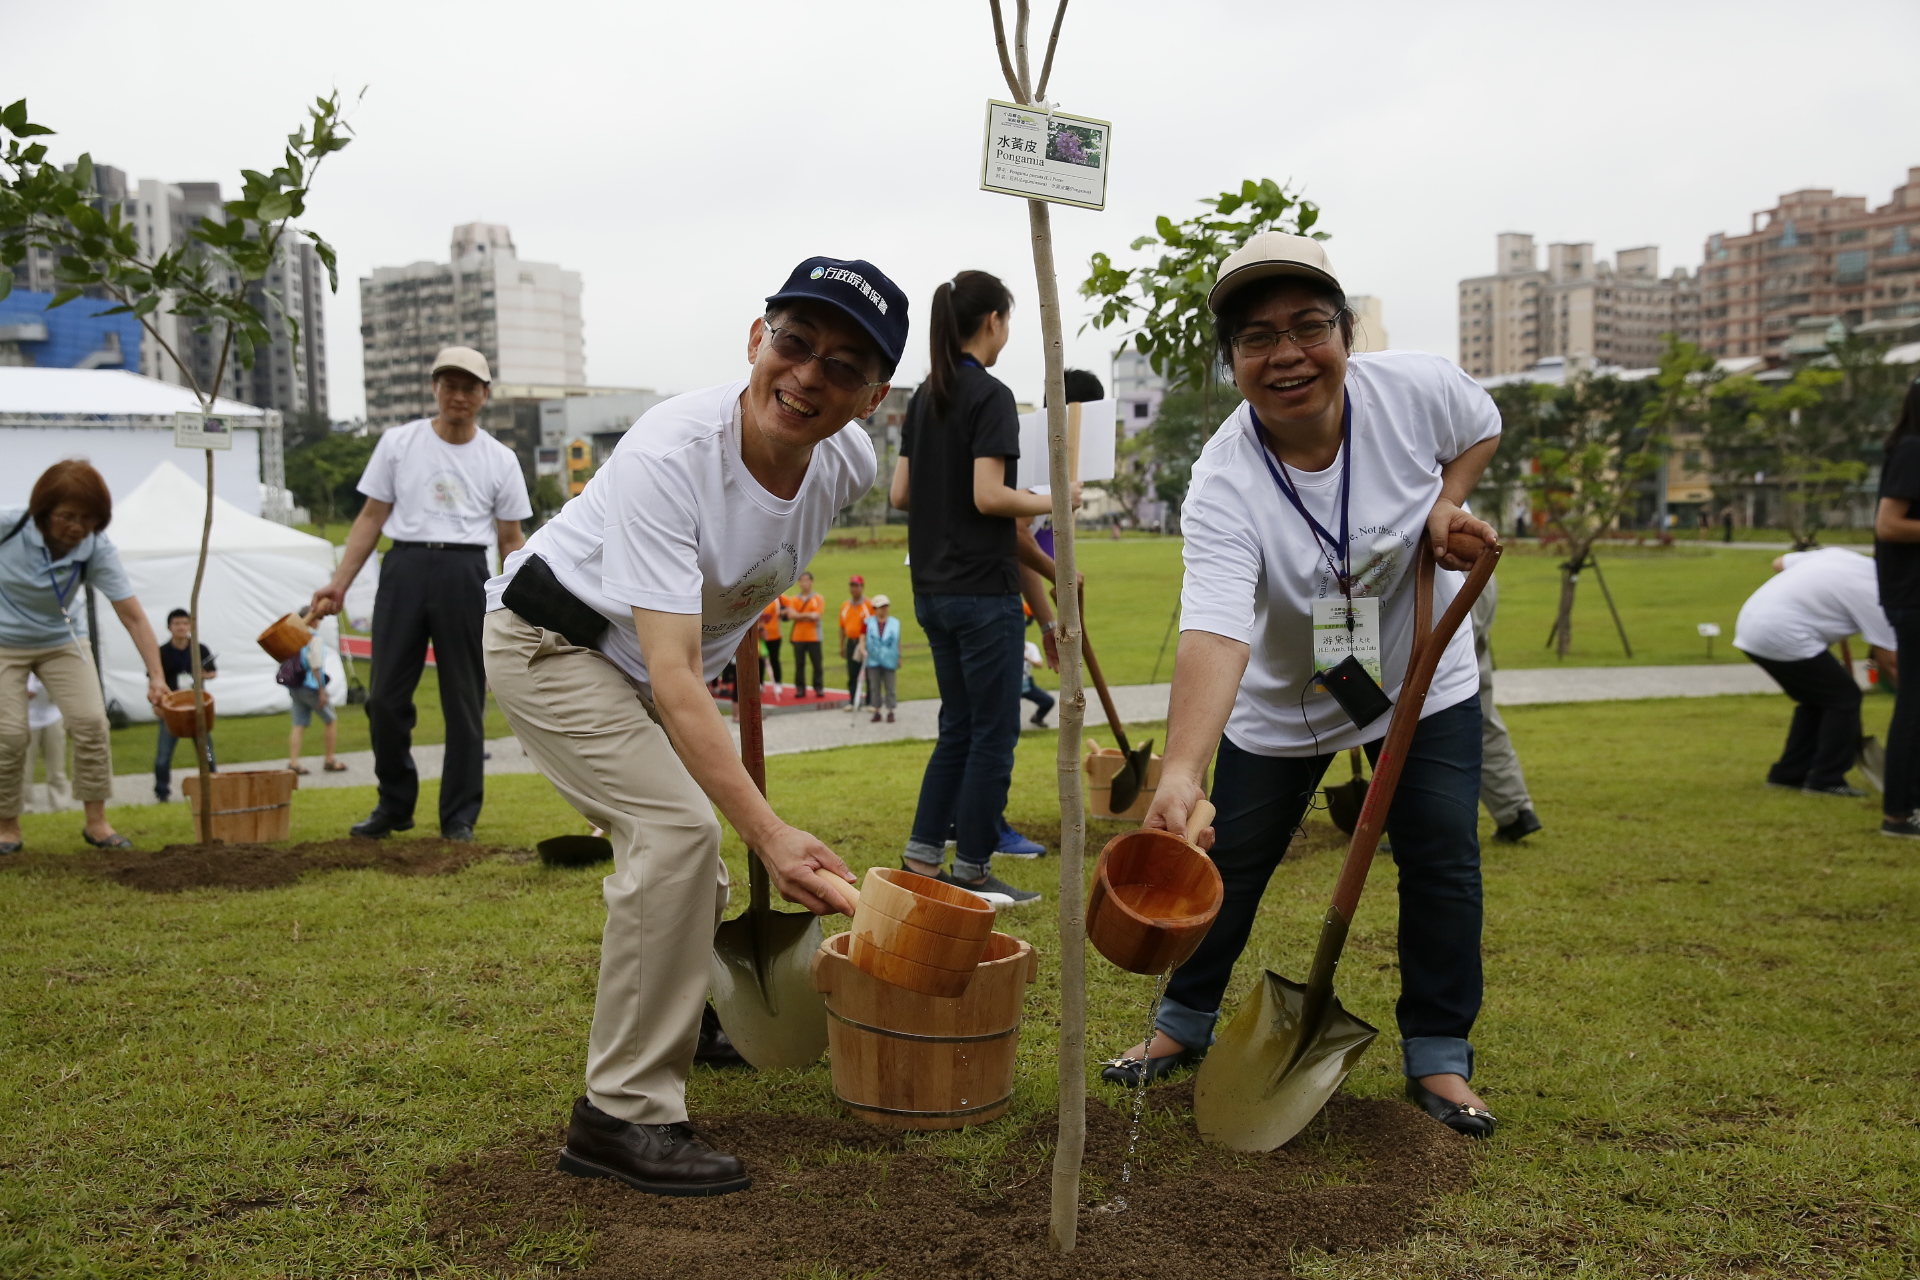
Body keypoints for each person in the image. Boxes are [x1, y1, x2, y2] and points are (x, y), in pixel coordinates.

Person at [480, 254, 903, 1197]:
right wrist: (774, 835)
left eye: (843, 366)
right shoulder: (673, 450)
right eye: (794, 344)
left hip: (639, 657)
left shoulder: (848, 462)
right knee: (679, 837)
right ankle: (620, 1119)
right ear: (757, 340)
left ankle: (682, 1017)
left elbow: (746, 582)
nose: (807, 377)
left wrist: (734, 639)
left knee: (686, 862)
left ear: (872, 398)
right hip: (550, 642)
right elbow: (672, 675)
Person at [1097, 233, 1505, 1141]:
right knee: (1228, 863)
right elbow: (1215, 622)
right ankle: (1181, 1025)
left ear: (1345, 335)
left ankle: (1439, 1050)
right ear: (1233, 362)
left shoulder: (1415, 390)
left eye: (1308, 326)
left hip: (1416, 677)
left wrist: (1447, 502)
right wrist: (1181, 772)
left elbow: (1480, 425)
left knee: (1441, 854)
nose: (1286, 354)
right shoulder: (1221, 481)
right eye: (1255, 337)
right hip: (1282, 702)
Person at [888, 269, 1074, 906]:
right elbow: (989, 495)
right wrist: (1061, 499)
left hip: (933, 592)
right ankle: (970, 871)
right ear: (992, 320)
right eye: (1008, 320)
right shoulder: (990, 395)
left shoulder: (923, 396)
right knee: (994, 734)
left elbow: (901, 493)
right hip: (982, 592)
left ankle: (921, 858)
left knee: (958, 728)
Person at [308, 347, 533, 843]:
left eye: (469, 387)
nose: (458, 396)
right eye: (449, 385)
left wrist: (516, 604)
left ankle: (459, 816)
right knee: (384, 698)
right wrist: (339, 583)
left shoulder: (500, 458)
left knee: (464, 700)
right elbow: (370, 517)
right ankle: (394, 803)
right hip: (405, 564)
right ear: (435, 388)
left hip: (465, 571)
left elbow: (511, 538)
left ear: (484, 395)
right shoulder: (398, 443)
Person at [0, 460, 168, 853]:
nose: (77, 527)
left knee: (91, 722)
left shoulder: (96, 548)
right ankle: (7, 827)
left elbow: (133, 615)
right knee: (8, 735)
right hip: (4, 642)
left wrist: (156, 676)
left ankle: (97, 823)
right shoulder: (9, 528)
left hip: (63, 639)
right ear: (43, 513)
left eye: (89, 518)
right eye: (67, 516)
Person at [1734, 548, 1892, 799]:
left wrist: (1826, 597)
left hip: (1751, 626)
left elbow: (1778, 563)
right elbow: (1889, 662)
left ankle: (1787, 775)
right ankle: (1826, 780)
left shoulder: (1842, 556)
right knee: (1845, 698)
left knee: (1816, 700)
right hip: (1783, 633)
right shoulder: (1876, 594)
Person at [1876, 380, 1920, 837]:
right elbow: (1889, 525)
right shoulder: (1912, 449)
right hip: (1912, 597)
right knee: (1913, 702)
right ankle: (1900, 811)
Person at [1472, 578, 1540, 842]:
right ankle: (1514, 810)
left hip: (1445, 576)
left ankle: (1423, 827)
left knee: (1430, 709)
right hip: (1476, 574)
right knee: (1477, 708)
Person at [154, 607, 218, 802]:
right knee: (163, 755)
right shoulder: (162, 652)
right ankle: (162, 792)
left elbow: (212, 671)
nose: (181, 627)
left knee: (206, 751)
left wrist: (202, 675)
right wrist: (157, 705)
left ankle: (213, 786)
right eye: (177, 624)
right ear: (169, 627)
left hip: (196, 707)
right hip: (172, 707)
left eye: (184, 623)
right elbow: (154, 678)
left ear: (190, 625)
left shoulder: (200, 648)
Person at [287, 624, 345, 775]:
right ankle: (330, 759)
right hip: (310, 685)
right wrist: (322, 689)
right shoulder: (314, 638)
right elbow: (316, 664)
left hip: (295, 684)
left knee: (299, 723)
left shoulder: (292, 637)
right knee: (330, 720)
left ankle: (294, 761)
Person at [23, 673, 69, 812]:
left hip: (53, 717)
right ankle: (25, 807)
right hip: (26, 719)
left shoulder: (50, 663)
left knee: (57, 767)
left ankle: (61, 805)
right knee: (24, 769)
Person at [856, 593, 901, 722]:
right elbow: (862, 637)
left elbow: (898, 640)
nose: (884, 609)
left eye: (885, 606)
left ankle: (891, 710)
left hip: (889, 658)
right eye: (881, 607)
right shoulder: (868, 623)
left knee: (890, 686)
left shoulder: (894, 623)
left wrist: (899, 656)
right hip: (873, 658)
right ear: (875, 608)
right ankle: (876, 710)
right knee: (874, 687)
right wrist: (862, 649)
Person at [780, 571, 826, 697]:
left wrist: (799, 616)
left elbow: (816, 615)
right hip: (798, 636)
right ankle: (800, 688)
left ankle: (818, 687)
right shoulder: (794, 599)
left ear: (812, 582)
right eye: (802, 580)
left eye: (807, 580)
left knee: (817, 664)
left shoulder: (818, 598)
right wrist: (808, 615)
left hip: (814, 636)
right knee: (799, 664)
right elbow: (791, 615)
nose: (804, 583)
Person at [839, 574, 874, 701]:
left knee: (869, 672)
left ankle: (871, 700)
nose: (854, 589)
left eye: (857, 586)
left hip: (865, 642)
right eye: (852, 586)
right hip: (851, 642)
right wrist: (842, 645)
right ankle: (853, 699)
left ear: (862, 587)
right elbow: (842, 627)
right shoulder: (845, 606)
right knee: (852, 672)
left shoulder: (869, 605)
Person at [1021, 638, 1054, 728]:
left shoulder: (1030, 647)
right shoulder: (1005, 648)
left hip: (1026, 683)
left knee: (1048, 701)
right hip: (1009, 684)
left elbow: (1039, 665)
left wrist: (1027, 658)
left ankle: (1037, 718)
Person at [757, 599, 783, 690]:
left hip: (774, 635)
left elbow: (780, 613)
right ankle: (760, 683)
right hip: (759, 635)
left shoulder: (776, 601)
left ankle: (778, 682)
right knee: (759, 660)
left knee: (774, 659)